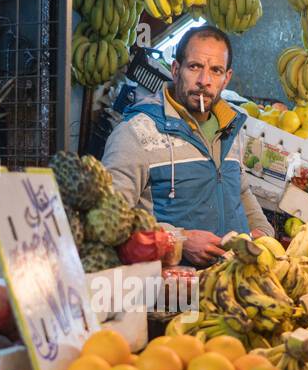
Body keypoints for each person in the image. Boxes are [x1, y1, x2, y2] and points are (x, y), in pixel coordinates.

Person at [101, 25, 271, 265]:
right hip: (174, 290)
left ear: (227, 78)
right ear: (175, 70)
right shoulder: (136, 133)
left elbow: (240, 191)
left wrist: (263, 232)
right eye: (195, 67)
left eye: (215, 70)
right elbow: (110, 220)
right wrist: (179, 240)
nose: (204, 81)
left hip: (231, 281)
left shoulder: (231, 128)